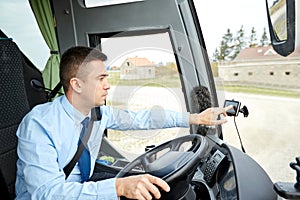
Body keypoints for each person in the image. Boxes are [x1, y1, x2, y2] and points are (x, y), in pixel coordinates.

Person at [15, 46, 231, 200]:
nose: (108, 86)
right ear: (77, 85)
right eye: (101, 79)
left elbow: (142, 118)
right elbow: (45, 194)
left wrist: (194, 118)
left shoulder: (98, 113)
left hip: (82, 188)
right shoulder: (39, 124)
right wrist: (117, 188)